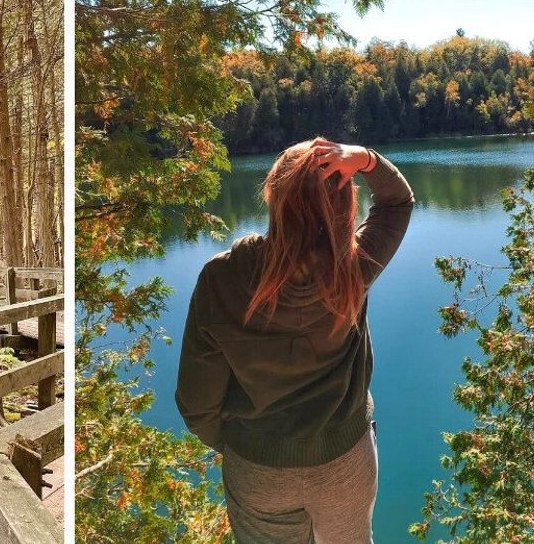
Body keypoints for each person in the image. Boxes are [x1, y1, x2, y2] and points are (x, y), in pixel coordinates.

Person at [175, 137, 414, 544]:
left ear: (274, 197)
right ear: (344, 206)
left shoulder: (221, 279)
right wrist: (367, 160)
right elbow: (397, 203)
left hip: (257, 468)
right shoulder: (353, 270)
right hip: (345, 460)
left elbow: (197, 402)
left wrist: (244, 445)